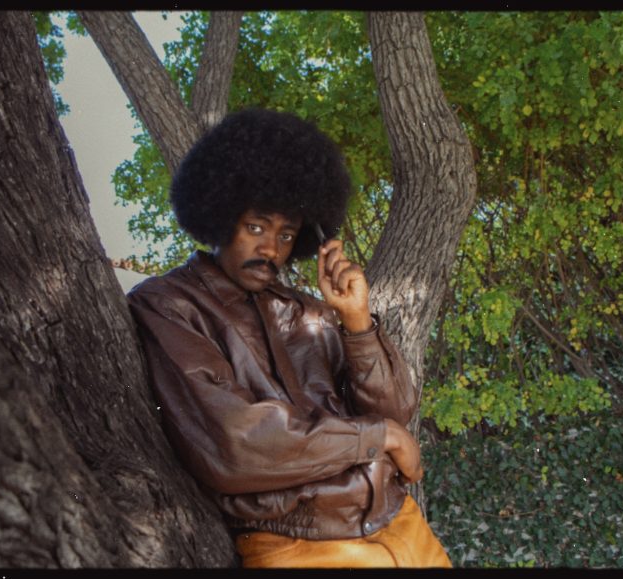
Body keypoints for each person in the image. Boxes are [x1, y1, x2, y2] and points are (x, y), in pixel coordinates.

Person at [126, 108, 452, 568]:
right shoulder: (169, 305)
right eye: (256, 227)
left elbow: (395, 411)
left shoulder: (310, 310)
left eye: (286, 235)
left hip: (405, 527)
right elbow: (235, 444)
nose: (270, 249)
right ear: (219, 215)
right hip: (302, 546)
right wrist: (380, 436)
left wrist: (357, 322)